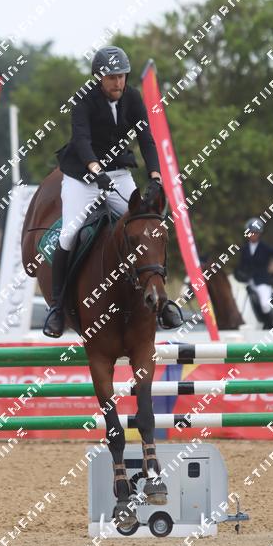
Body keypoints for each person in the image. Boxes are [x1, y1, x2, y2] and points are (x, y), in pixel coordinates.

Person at [43, 45, 182, 337]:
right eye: (111, 77)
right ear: (99, 78)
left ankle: (162, 300)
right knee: (69, 233)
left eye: (121, 76)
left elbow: (146, 138)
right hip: (82, 177)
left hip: (118, 174)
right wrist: (96, 171)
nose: (118, 82)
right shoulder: (83, 100)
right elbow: (81, 141)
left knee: (151, 227)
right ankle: (57, 307)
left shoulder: (133, 98)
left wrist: (155, 177)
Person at [234, 217, 273, 329]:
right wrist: (240, 274)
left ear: (259, 234)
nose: (252, 235)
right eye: (250, 232)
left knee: (265, 304)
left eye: (255, 232)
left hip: (262, 282)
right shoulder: (245, 249)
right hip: (248, 281)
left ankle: (269, 325)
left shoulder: (265, 248)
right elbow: (241, 266)